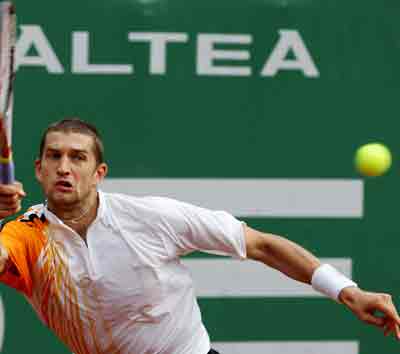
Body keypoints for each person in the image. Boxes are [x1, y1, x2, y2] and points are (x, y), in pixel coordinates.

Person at [0, 118, 398, 354]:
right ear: (38, 169)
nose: (64, 167)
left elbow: (260, 245)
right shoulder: (26, 234)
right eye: (54, 157)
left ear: (99, 173)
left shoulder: (150, 218)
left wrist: (347, 291)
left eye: (78, 157)